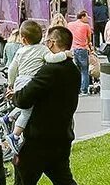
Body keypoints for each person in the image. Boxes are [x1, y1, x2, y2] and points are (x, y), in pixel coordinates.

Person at [7, 24, 110, 185]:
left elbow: (25, 99)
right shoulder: (73, 70)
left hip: (37, 140)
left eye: (49, 41)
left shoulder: (48, 71)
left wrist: (14, 96)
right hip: (62, 137)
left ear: (53, 44)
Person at [5, 20, 72, 151]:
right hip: (31, 80)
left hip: (20, 80)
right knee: (27, 111)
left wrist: (10, 83)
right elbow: (52, 59)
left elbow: (12, 69)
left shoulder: (20, 51)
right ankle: (15, 135)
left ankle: (9, 117)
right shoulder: (43, 50)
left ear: (23, 40)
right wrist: (65, 54)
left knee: (25, 106)